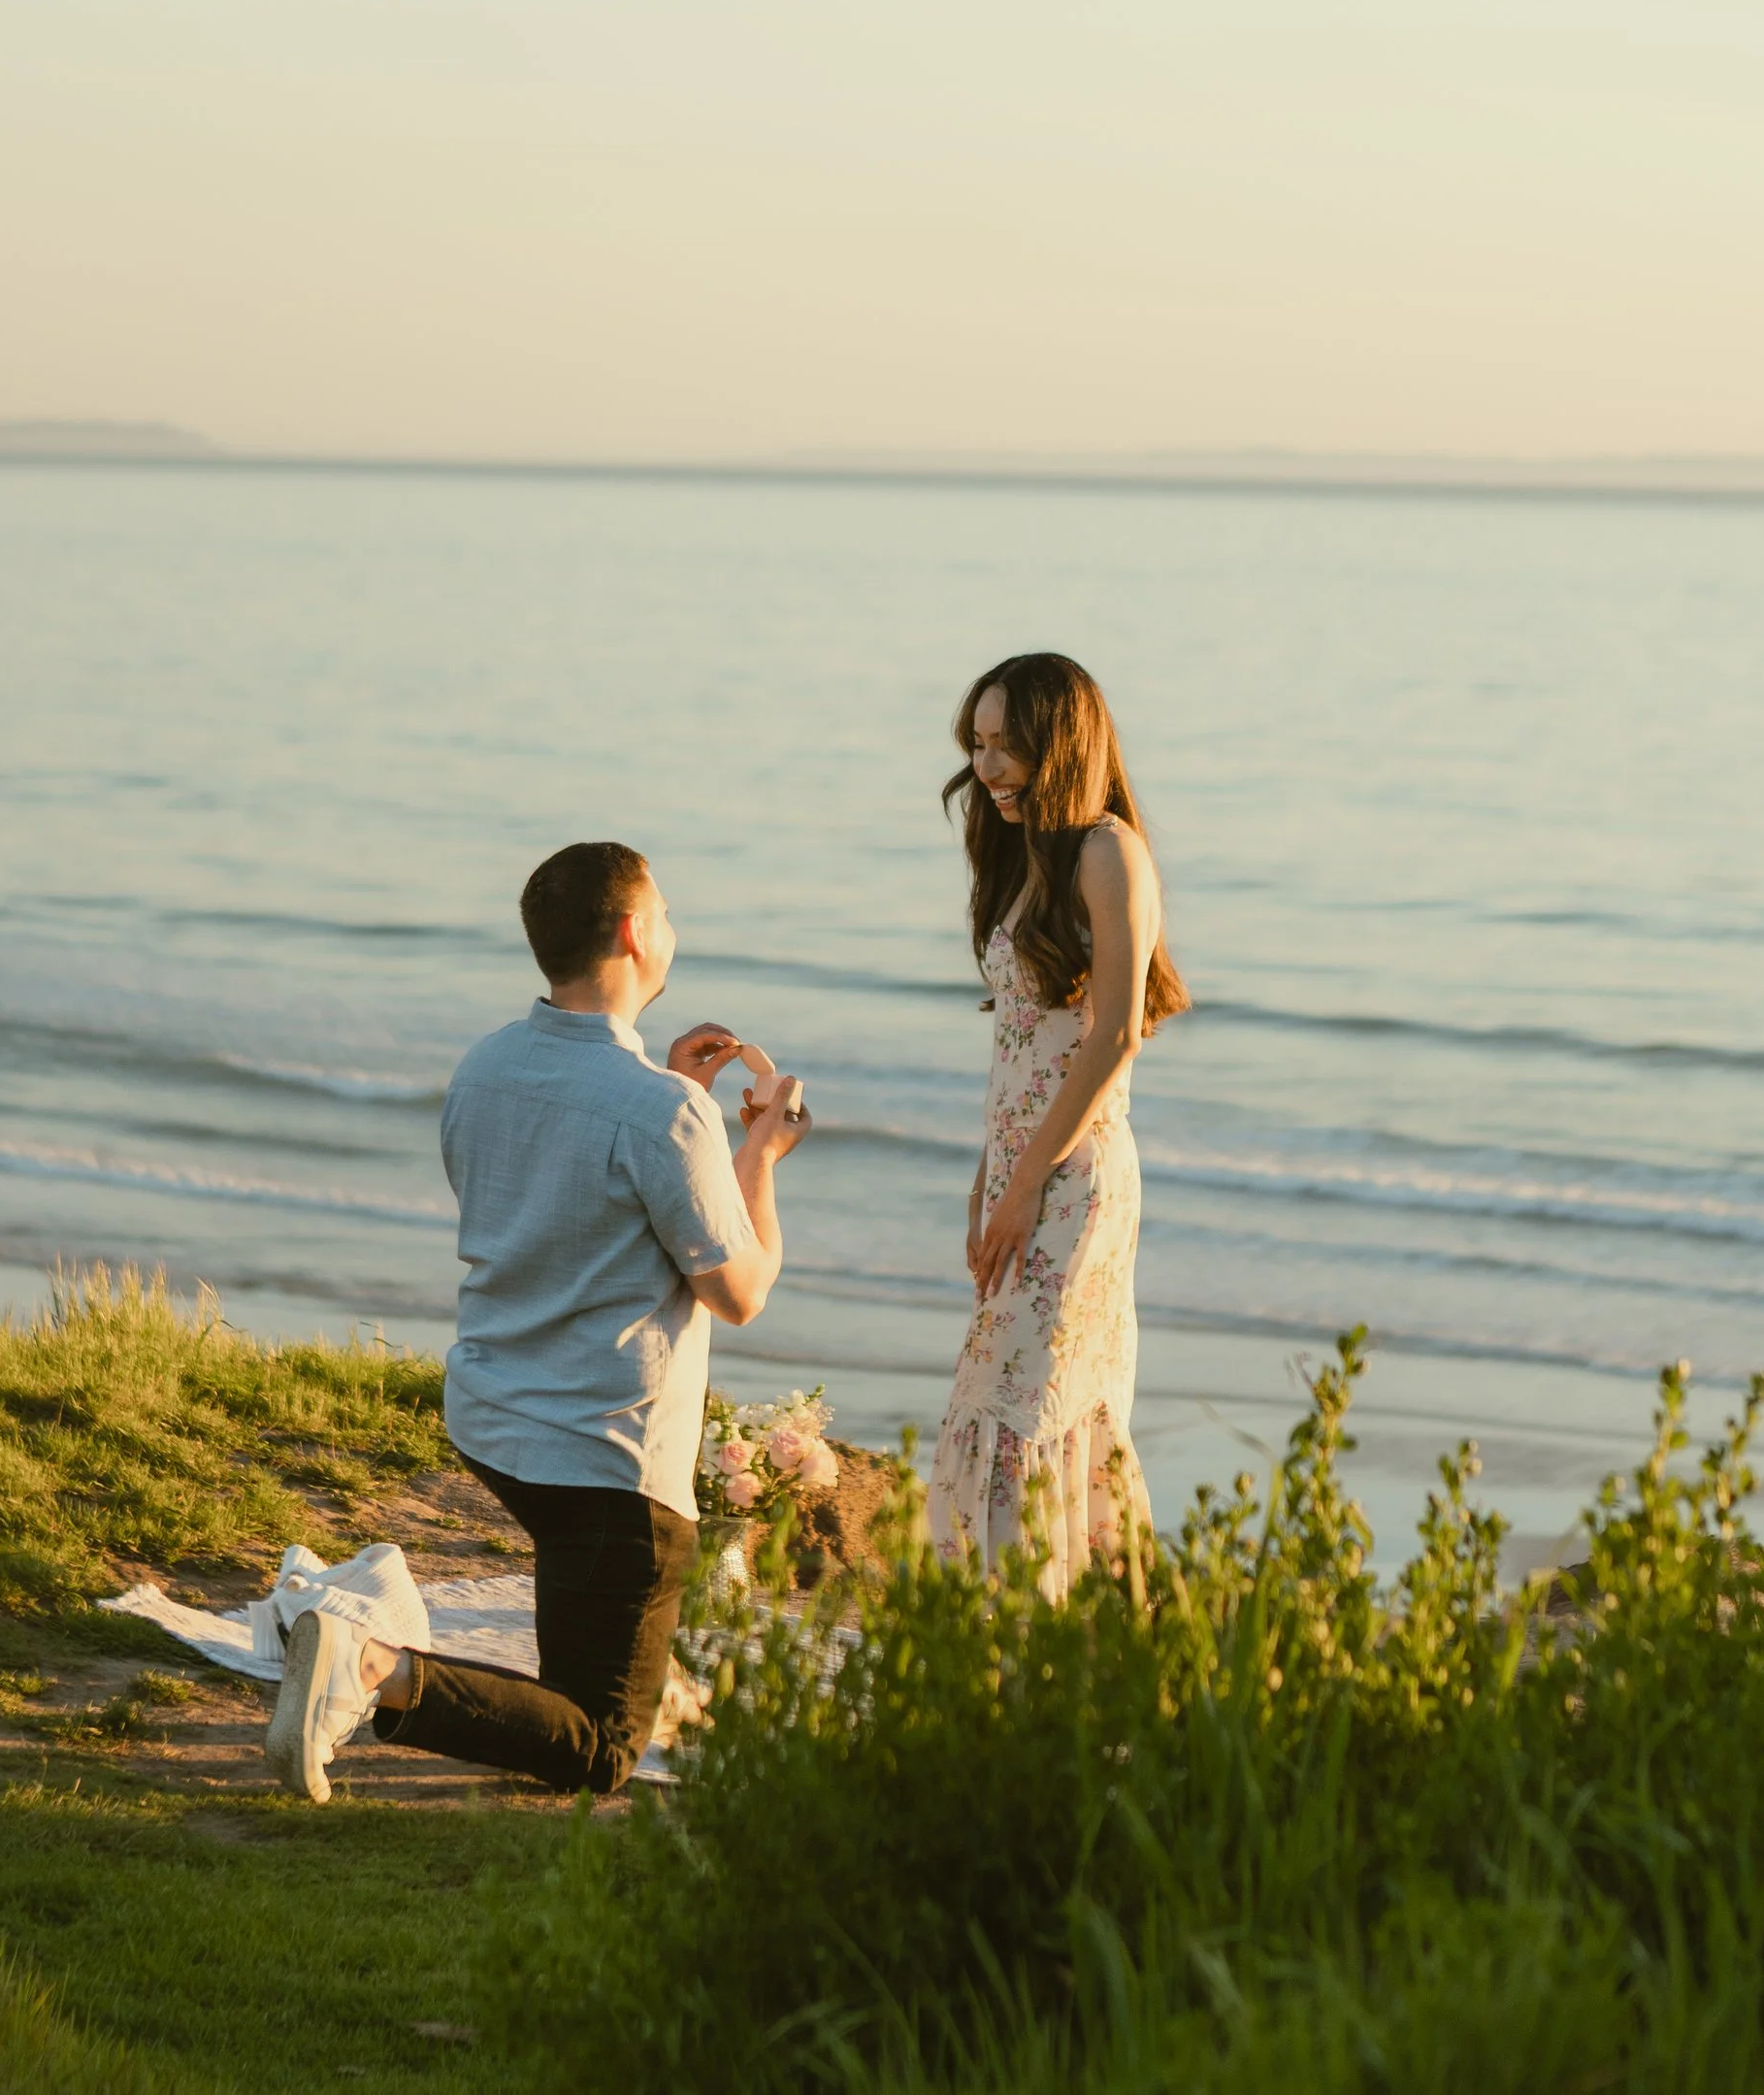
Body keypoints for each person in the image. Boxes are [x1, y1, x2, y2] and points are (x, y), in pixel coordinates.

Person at [264, 839, 808, 1798]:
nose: (671, 926)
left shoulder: (485, 1067)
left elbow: (561, 1198)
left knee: (582, 1647)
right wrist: (755, 1158)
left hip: (493, 1414)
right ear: (635, 933)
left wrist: (676, 1094)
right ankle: (366, 1669)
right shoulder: (664, 1114)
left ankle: (362, 1633)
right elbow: (742, 1291)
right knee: (599, 1746)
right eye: (667, 911)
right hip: (604, 1458)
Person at [925, 653, 1187, 1593]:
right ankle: (1004, 1630)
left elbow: (1115, 1034)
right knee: (997, 1395)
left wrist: (1027, 1180)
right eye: (979, 746)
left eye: (1009, 748)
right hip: (1023, 1171)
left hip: (1072, 1179)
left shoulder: (1107, 852)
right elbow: (1018, 1057)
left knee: (1031, 1404)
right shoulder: (1024, 857)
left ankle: (1059, 1629)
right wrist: (984, 1184)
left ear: (1060, 744)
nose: (988, 769)